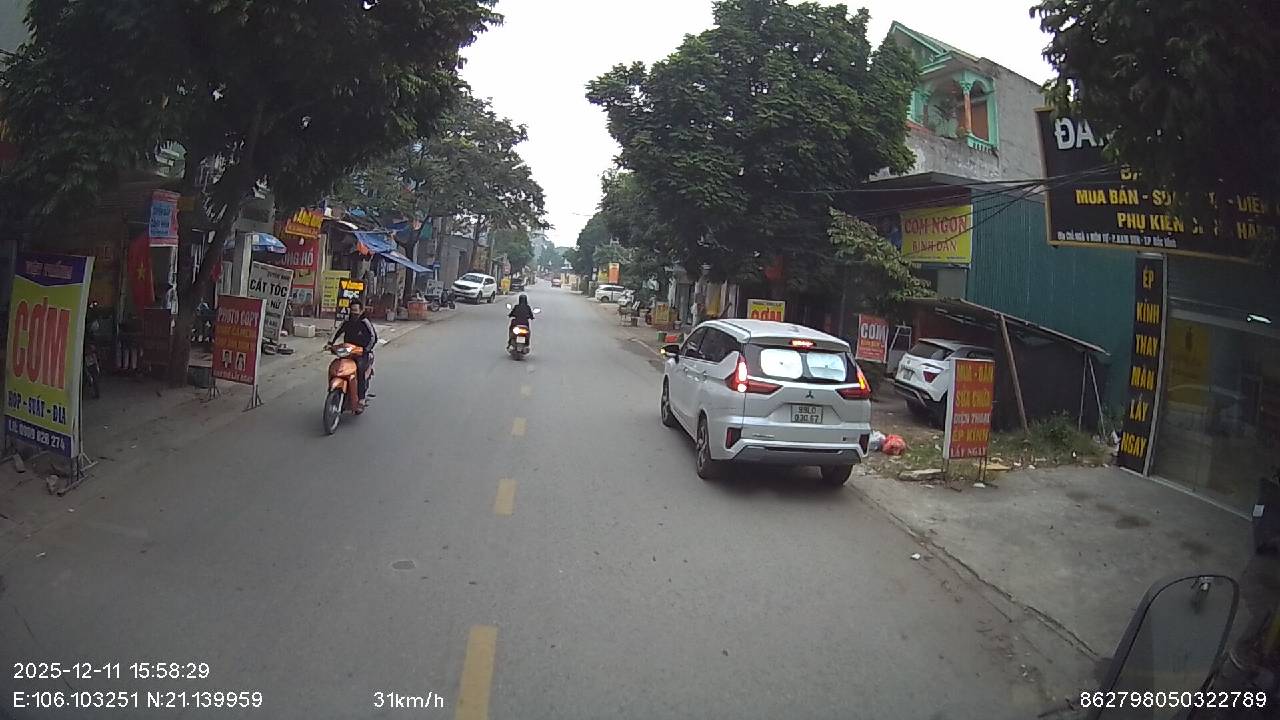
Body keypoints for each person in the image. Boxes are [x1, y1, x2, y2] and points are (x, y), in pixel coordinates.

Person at [328, 300, 377, 410]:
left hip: (361, 353)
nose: (354, 313)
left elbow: (373, 337)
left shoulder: (365, 322)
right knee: (337, 366)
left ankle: (361, 398)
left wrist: (366, 350)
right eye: (352, 310)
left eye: (356, 310)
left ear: (361, 310)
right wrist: (330, 343)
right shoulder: (347, 321)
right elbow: (337, 331)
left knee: (359, 370)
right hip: (347, 351)